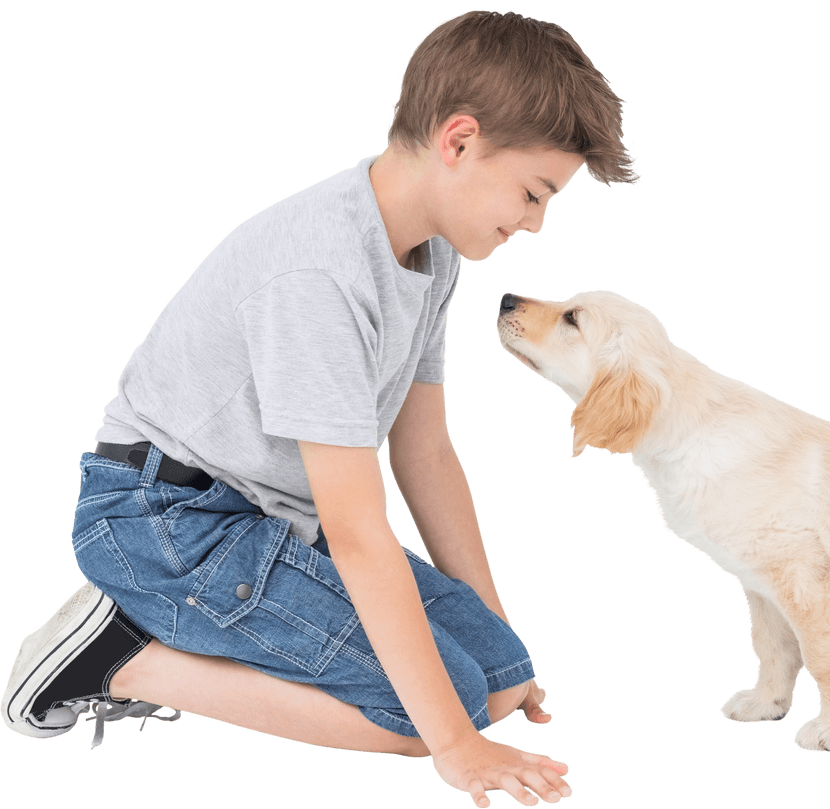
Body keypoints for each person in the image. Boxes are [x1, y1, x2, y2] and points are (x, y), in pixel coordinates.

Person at [1, 9, 638, 808]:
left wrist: (498, 637)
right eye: (534, 192)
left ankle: (189, 633)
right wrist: (454, 745)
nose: (537, 222)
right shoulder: (321, 273)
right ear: (460, 141)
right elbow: (358, 527)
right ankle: (116, 654)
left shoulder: (432, 251)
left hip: (266, 518)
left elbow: (426, 452)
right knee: (431, 719)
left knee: (499, 684)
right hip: (165, 518)